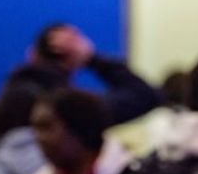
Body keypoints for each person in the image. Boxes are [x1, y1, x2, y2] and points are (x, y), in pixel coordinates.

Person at [9, 23, 159, 125]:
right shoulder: (73, 108)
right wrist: (92, 58)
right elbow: (143, 96)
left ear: (32, 54)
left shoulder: (12, 96)